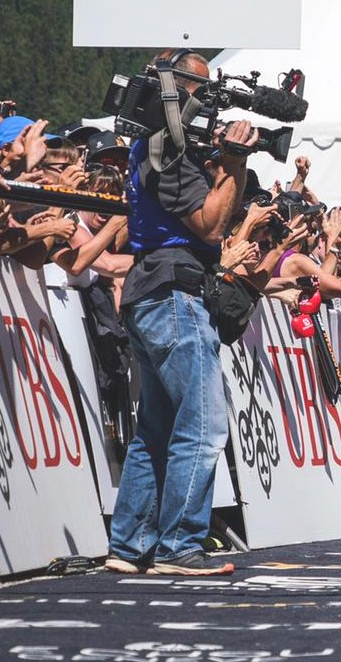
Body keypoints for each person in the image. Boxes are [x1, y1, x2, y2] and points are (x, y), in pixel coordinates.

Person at [106, 50, 256, 577]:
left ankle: (128, 546)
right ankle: (178, 546)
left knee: (157, 427)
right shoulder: (165, 151)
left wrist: (222, 166)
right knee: (204, 424)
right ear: (172, 89)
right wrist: (233, 163)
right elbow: (211, 226)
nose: (208, 100)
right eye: (200, 88)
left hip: (155, 290)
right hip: (174, 292)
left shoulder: (155, 148)